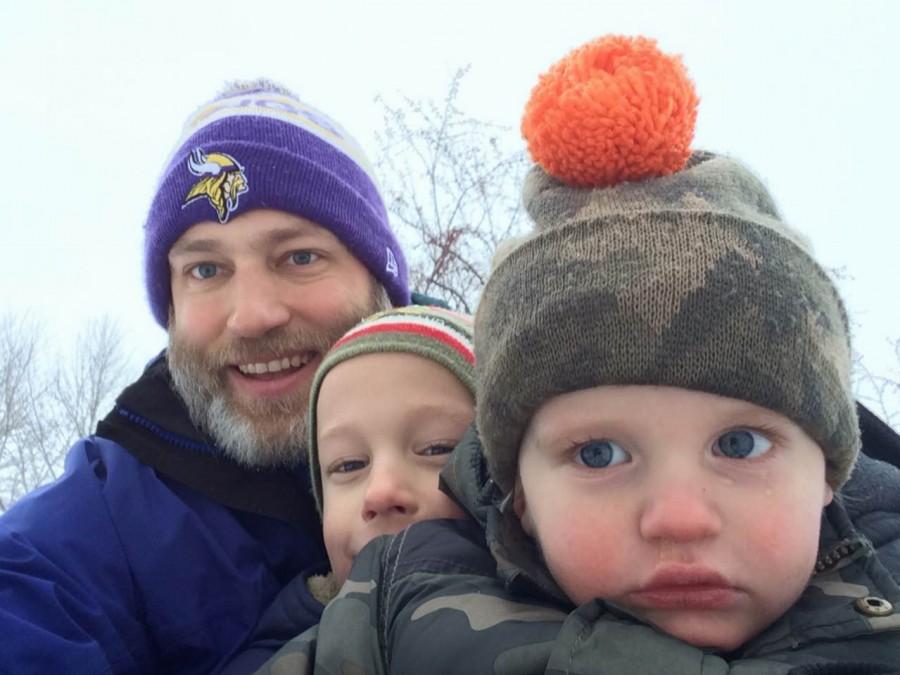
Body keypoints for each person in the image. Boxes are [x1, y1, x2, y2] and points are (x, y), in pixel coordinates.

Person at [256, 36, 900, 674]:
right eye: (599, 454)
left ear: (827, 474)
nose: (678, 519)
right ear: (520, 496)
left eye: (739, 445)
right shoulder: (391, 620)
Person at [0, 79, 413, 674]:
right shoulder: (102, 522)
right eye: (207, 268)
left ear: (381, 283)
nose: (251, 316)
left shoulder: (508, 449)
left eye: (299, 257)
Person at [221, 304, 476, 672]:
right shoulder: (281, 654)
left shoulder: (570, 624)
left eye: (437, 449)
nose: (381, 491)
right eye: (350, 465)